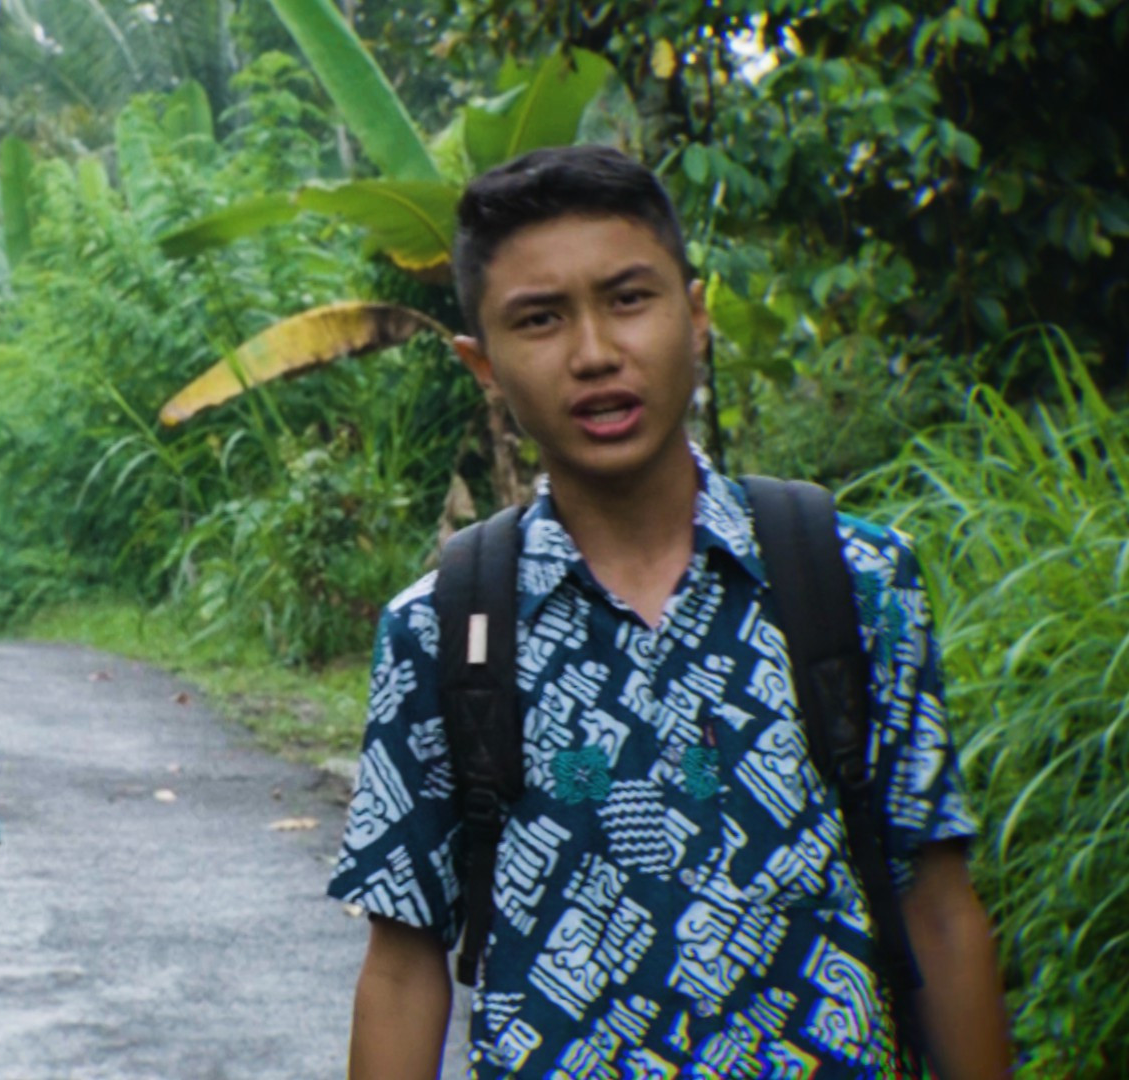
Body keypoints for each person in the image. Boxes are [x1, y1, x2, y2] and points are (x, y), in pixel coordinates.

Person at [330, 145, 1011, 1078]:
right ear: (481, 363)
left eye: (628, 298)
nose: (594, 353)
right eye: (539, 319)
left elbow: (936, 907)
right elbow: (404, 967)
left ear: (695, 316)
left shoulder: (851, 580)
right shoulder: (444, 628)